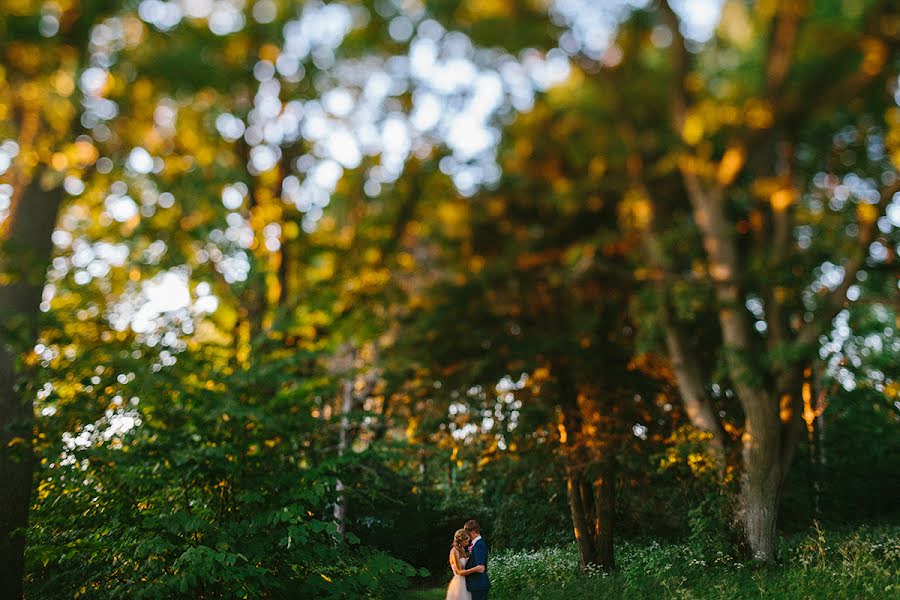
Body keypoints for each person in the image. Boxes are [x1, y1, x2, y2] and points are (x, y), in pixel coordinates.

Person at [445, 528, 485, 600]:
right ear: (460, 541)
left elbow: (466, 565)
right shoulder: (454, 552)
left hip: (467, 582)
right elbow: (460, 572)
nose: (467, 544)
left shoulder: (462, 549)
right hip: (459, 584)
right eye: (466, 542)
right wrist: (476, 569)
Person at [463, 520, 489, 600]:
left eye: (468, 533)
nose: (467, 536)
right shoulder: (477, 544)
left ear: (473, 532)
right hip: (477, 585)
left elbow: (481, 568)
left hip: (478, 584)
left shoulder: (479, 545)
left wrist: (465, 572)